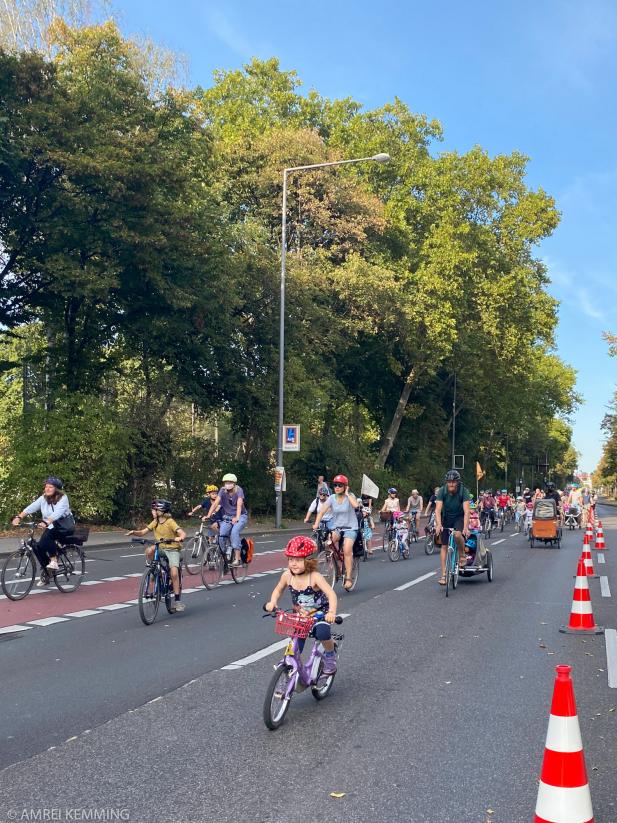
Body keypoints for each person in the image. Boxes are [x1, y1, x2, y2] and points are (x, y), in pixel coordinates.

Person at [265, 536, 339, 675]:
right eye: (291, 559)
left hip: (319, 614)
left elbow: (331, 594)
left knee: (323, 634)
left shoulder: (315, 577)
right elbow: (278, 589)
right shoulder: (287, 575)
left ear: (309, 561)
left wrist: (331, 612)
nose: (293, 563)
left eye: (298, 560)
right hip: (300, 617)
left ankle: (330, 656)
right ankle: (290, 663)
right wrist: (273, 602)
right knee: (296, 644)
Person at [12, 476, 75, 587]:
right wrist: (19, 517)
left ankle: (54, 561)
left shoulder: (63, 498)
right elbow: (32, 507)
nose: (47, 489)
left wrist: (47, 522)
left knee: (47, 538)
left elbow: (58, 513)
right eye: (46, 486)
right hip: (51, 526)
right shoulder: (44, 498)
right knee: (38, 547)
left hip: (64, 527)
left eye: (50, 487)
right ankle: (47, 572)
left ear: (57, 489)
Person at [126, 499, 187, 612]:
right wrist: (134, 532)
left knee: (174, 573)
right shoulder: (155, 522)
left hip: (172, 549)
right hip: (161, 547)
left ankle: (177, 601)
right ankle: (154, 570)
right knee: (149, 550)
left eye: (154, 510)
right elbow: (143, 532)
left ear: (162, 511)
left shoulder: (170, 522)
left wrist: (180, 537)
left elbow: (182, 532)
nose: (152, 512)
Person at [314, 474, 361, 591]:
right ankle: (335, 564)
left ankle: (349, 577)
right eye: (335, 485)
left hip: (351, 528)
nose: (337, 487)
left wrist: (347, 494)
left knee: (347, 550)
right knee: (328, 543)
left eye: (340, 485)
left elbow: (356, 506)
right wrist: (316, 524)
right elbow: (321, 512)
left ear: (345, 486)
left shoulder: (350, 496)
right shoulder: (331, 498)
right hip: (337, 528)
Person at [434, 469, 471, 586]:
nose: (451, 484)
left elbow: (467, 511)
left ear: (458, 482)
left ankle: (462, 555)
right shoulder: (442, 491)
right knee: (444, 546)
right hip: (446, 517)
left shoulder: (463, 491)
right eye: (449, 481)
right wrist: (439, 524)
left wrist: (465, 527)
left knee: (457, 534)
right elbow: (438, 509)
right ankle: (444, 575)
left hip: (459, 517)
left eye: (453, 482)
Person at [206, 473, 247, 567]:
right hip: (228, 517)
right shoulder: (222, 490)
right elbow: (216, 503)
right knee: (221, 535)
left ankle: (237, 558)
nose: (227, 484)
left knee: (234, 532)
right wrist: (208, 515)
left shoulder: (239, 490)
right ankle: (225, 555)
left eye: (229, 482)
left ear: (234, 483)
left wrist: (237, 517)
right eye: (226, 482)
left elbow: (239, 504)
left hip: (241, 516)